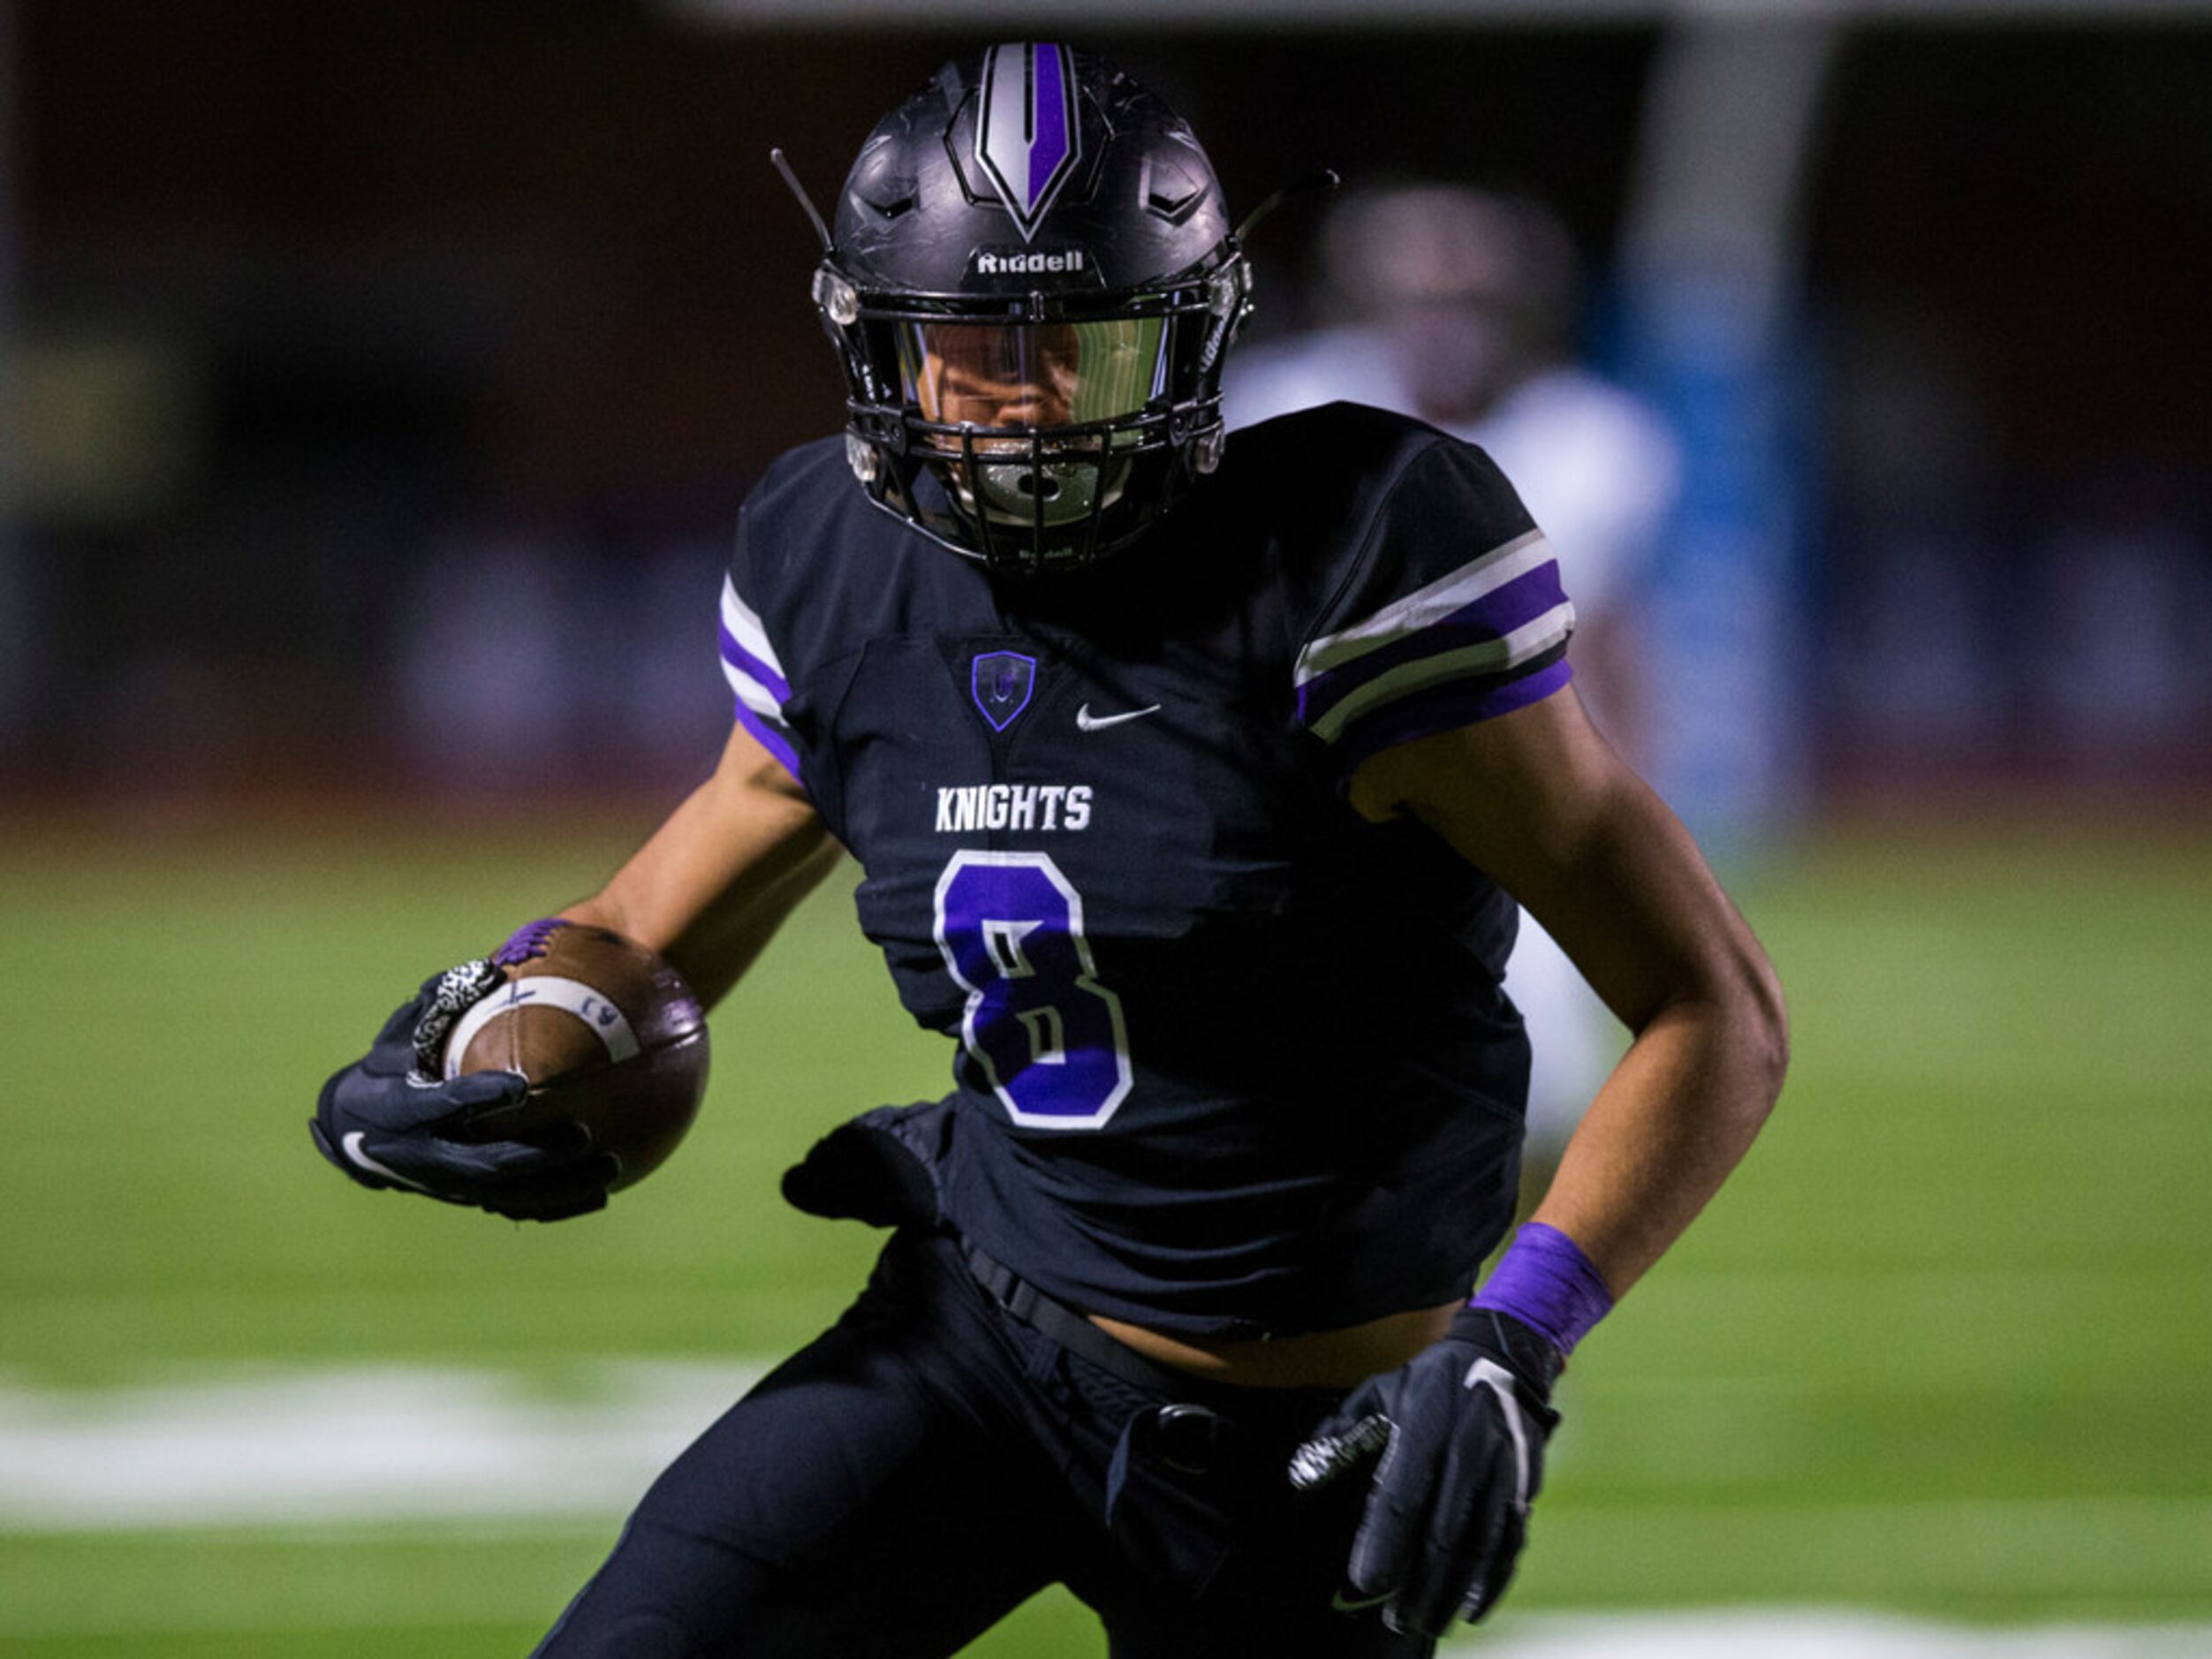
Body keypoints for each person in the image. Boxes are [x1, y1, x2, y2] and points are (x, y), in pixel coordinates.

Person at [311, 43, 1786, 1658]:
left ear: (1193, 340)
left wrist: (1518, 1333)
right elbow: (644, 925)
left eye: (1075, 345)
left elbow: (1713, 1006)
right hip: (978, 1346)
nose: (1015, 400)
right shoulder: (835, 565)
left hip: (1301, 1443)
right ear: (873, 341)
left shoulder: (1354, 558)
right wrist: (472, 1028)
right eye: (965, 343)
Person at [1225, 182, 1685, 1163]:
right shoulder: (1289, 415)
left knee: (1545, 1109)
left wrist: (1634, 812)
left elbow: (1610, 644)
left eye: (1468, 302)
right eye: (1419, 301)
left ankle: (1466, 1304)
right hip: (1329, 815)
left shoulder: (1593, 441)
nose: (1444, 328)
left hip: (1522, 813)